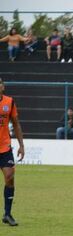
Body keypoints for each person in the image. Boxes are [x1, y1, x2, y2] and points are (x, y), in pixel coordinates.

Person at [0, 77, 25, 226]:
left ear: (3, 87)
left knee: (9, 177)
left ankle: (7, 214)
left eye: (0, 83)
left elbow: (16, 124)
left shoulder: (9, 102)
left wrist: (21, 145)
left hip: (5, 147)